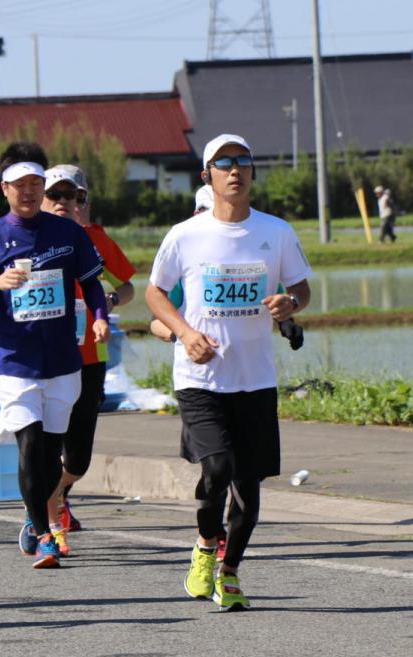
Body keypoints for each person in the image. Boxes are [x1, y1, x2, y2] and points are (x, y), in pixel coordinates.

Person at [146, 133, 313, 611]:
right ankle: (204, 545)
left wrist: (289, 303)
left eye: (243, 162)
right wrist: (182, 331)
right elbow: (156, 293)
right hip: (201, 377)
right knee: (217, 467)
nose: (235, 170)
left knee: (249, 489)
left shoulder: (275, 232)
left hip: (255, 377)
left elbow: (301, 289)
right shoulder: (185, 234)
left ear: (253, 173)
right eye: (224, 163)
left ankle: (230, 569)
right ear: (208, 176)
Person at [0, 141, 109, 569]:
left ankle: (36, 515)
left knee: (50, 449)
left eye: (36, 184)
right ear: (4, 189)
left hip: (62, 360)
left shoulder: (67, 232)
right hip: (15, 361)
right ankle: (44, 535)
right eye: (20, 185)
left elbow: (92, 282)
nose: (29, 191)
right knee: (30, 445)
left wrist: (99, 317)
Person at [33, 163, 135, 553]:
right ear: (41, 198)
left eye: (72, 196)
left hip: (89, 355)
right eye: (54, 196)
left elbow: (126, 285)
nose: (63, 203)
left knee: (77, 458)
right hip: (40, 357)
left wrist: (108, 301)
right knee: (42, 442)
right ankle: (43, 517)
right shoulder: (26, 237)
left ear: (83, 201)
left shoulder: (93, 238)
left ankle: (55, 494)